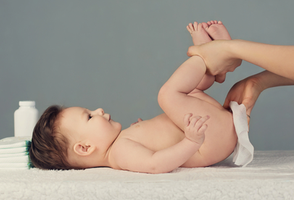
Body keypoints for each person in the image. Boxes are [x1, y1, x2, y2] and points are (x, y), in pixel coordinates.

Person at [29, 21, 238, 174]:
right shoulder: (119, 153)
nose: (99, 110)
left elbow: (155, 143)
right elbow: (155, 163)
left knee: (190, 92)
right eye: (90, 117)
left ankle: (218, 70)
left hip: (211, 131)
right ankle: (207, 54)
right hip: (208, 142)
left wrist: (144, 130)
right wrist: (191, 141)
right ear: (85, 148)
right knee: (168, 96)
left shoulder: (121, 143)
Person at [187, 30, 294, 118]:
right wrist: (258, 82)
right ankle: (211, 57)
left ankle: (208, 57)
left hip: (218, 130)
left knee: (187, 92)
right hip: (223, 131)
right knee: (188, 92)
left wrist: (230, 49)